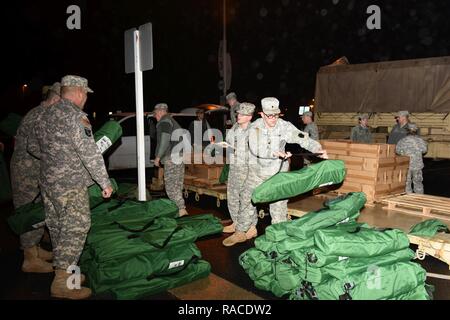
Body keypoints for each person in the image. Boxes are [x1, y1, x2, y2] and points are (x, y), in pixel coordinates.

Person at [28, 75, 113, 299]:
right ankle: (62, 284)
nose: (86, 98)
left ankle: (66, 273)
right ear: (77, 92)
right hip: (70, 185)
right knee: (76, 227)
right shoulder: (76, 117)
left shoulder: (44, 114)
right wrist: (104, 182)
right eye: (85, 93)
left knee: (57, 228)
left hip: (48, 183)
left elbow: (32, 146)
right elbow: (90, 154)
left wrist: (55, 160)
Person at [224, 97, 328, 246]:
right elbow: (256, 147)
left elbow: (302, 138)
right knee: (247, 200)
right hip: (257, 173)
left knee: (278, 207)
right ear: (262, 114)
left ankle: (278, 239)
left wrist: (317, 149)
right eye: (269, 115)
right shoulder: (255, 127)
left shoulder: (284, 126)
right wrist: (274, 152)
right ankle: (241, 232)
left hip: (277, 173)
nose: (273, 119)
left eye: (276, 115)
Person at [10, 82, 61, 274]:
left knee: (37, 209)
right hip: (27, 172)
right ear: (56, 99)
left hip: (33, 170)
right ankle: (30, 258)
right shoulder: (40, 116)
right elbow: (39, 147)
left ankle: (35, 250)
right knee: (28, 211)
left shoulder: (40, 113)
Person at [222, 103, 257, 247]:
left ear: (249, 117)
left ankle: (251, 227)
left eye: (242, 115)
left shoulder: (254, 130)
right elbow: (230, 143)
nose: (238, 116)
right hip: (235, 168)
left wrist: (238, 149)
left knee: (247, 200)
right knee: (233, 197)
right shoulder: (235, 128)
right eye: (238, 114)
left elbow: (257, 152)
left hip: (248, 169)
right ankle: (237, 223)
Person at [153, 103, 189, 217]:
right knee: (177, 185)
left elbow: (164, 140)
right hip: (179, 156)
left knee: (170, 187)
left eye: (155, 114)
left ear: (159, 112)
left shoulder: (164, 121)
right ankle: (178, 211)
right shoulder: (173, 121)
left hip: (171, 157)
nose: (155, 117)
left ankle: (181, 209)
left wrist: (158, 157)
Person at [396, 124, 428, 194]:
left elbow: (397, 151)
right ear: (416, 131)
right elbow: (424, 150)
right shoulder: (421, 140)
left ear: (407, 131)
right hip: (417, 165)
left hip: (406, 165)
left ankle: (408, 198)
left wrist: (404, 153)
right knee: (418, 182)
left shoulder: (402, 140)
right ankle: (419, 198)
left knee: (407, 183)